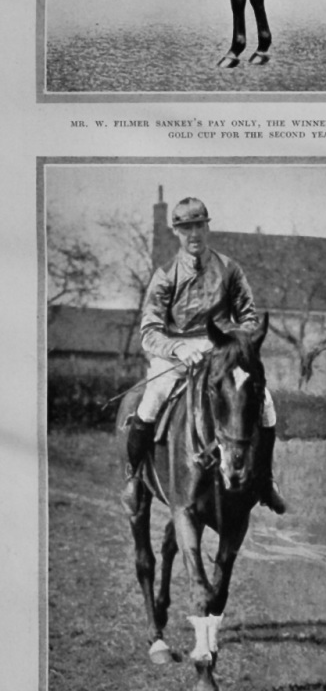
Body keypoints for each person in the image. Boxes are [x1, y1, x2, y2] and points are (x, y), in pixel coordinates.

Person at [121, 196, 285, 517]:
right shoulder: (165, 275)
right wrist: (180, 347)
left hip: (221, 352)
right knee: (152, 398)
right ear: (176, 233)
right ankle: (133, 477)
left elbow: (249, 319)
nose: (193, 234)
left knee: (265, 403)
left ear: (207, 227)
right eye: (185, 229)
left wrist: (227, 345)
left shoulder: (229, 269)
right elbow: (150, 330)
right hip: (175, 356)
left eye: (198, 226)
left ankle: (265, 481)